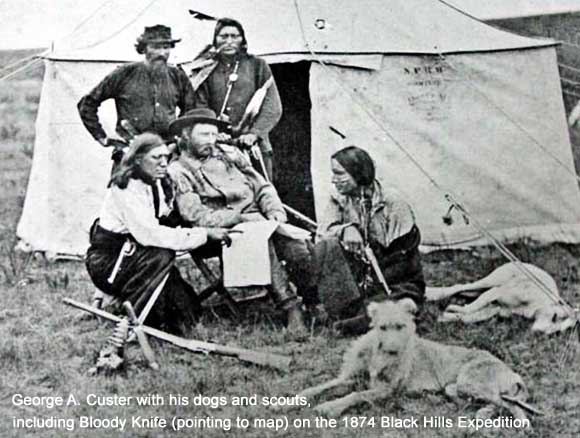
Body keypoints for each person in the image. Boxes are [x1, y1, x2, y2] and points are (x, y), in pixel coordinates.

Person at [166, 108, 312, 335]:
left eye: (214, 135)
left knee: (295, 245)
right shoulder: (178, 171)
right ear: (186, 136)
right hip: (220, 231)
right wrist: (238, 219)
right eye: (204, 135)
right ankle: (290, 306)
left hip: (259, 219)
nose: (211, 141)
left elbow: (262, 186)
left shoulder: (229, 154)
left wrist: (274, 212)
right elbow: (196, 216)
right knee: (261, 240)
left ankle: (313, 300)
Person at [85, 132, 231, 335]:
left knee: (187, 312)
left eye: (166, 157)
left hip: (136, 255)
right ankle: (132, 318)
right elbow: (151, 235)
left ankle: (141, 308)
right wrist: (204, 234)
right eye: (156, 158)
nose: (164, 163)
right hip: (110, 261)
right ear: (137, 159)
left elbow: (165, 217)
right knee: (162, 254)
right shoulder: (126, 188)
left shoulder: (153, 183)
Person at [314, 146, 425, 331]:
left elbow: (403, 260)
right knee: (327, 246)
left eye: (340, 174)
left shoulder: (392, 202)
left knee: (394, 305)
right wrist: (346, 229)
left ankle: (355, 318)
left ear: (358, 173)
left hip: (395, 279)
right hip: (359, 277)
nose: (334, 180)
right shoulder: (339, 199)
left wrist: (373, 283)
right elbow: (322, 234)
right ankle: (355, 313)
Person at [77, 25, 195, 159]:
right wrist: (102, 136)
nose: (162, 53)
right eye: (156, 47)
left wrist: (177, 139)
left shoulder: (177, 76)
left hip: (167, 154)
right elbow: (87, 103)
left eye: (166, 47)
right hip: (131, 154)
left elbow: (191, 111)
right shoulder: (123, 74)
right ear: (143, 49)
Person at [189, 18, 282, 180]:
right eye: (223, 37)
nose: (229, 41)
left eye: (234, 36)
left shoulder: (257, 65)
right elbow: (200, 106)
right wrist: (214, 132)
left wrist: (254, 133)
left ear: (242, 39)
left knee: (261, 193)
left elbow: (272, 105)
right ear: (215, 40)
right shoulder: (206, 68)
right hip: (216, 145)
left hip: (253, 146)